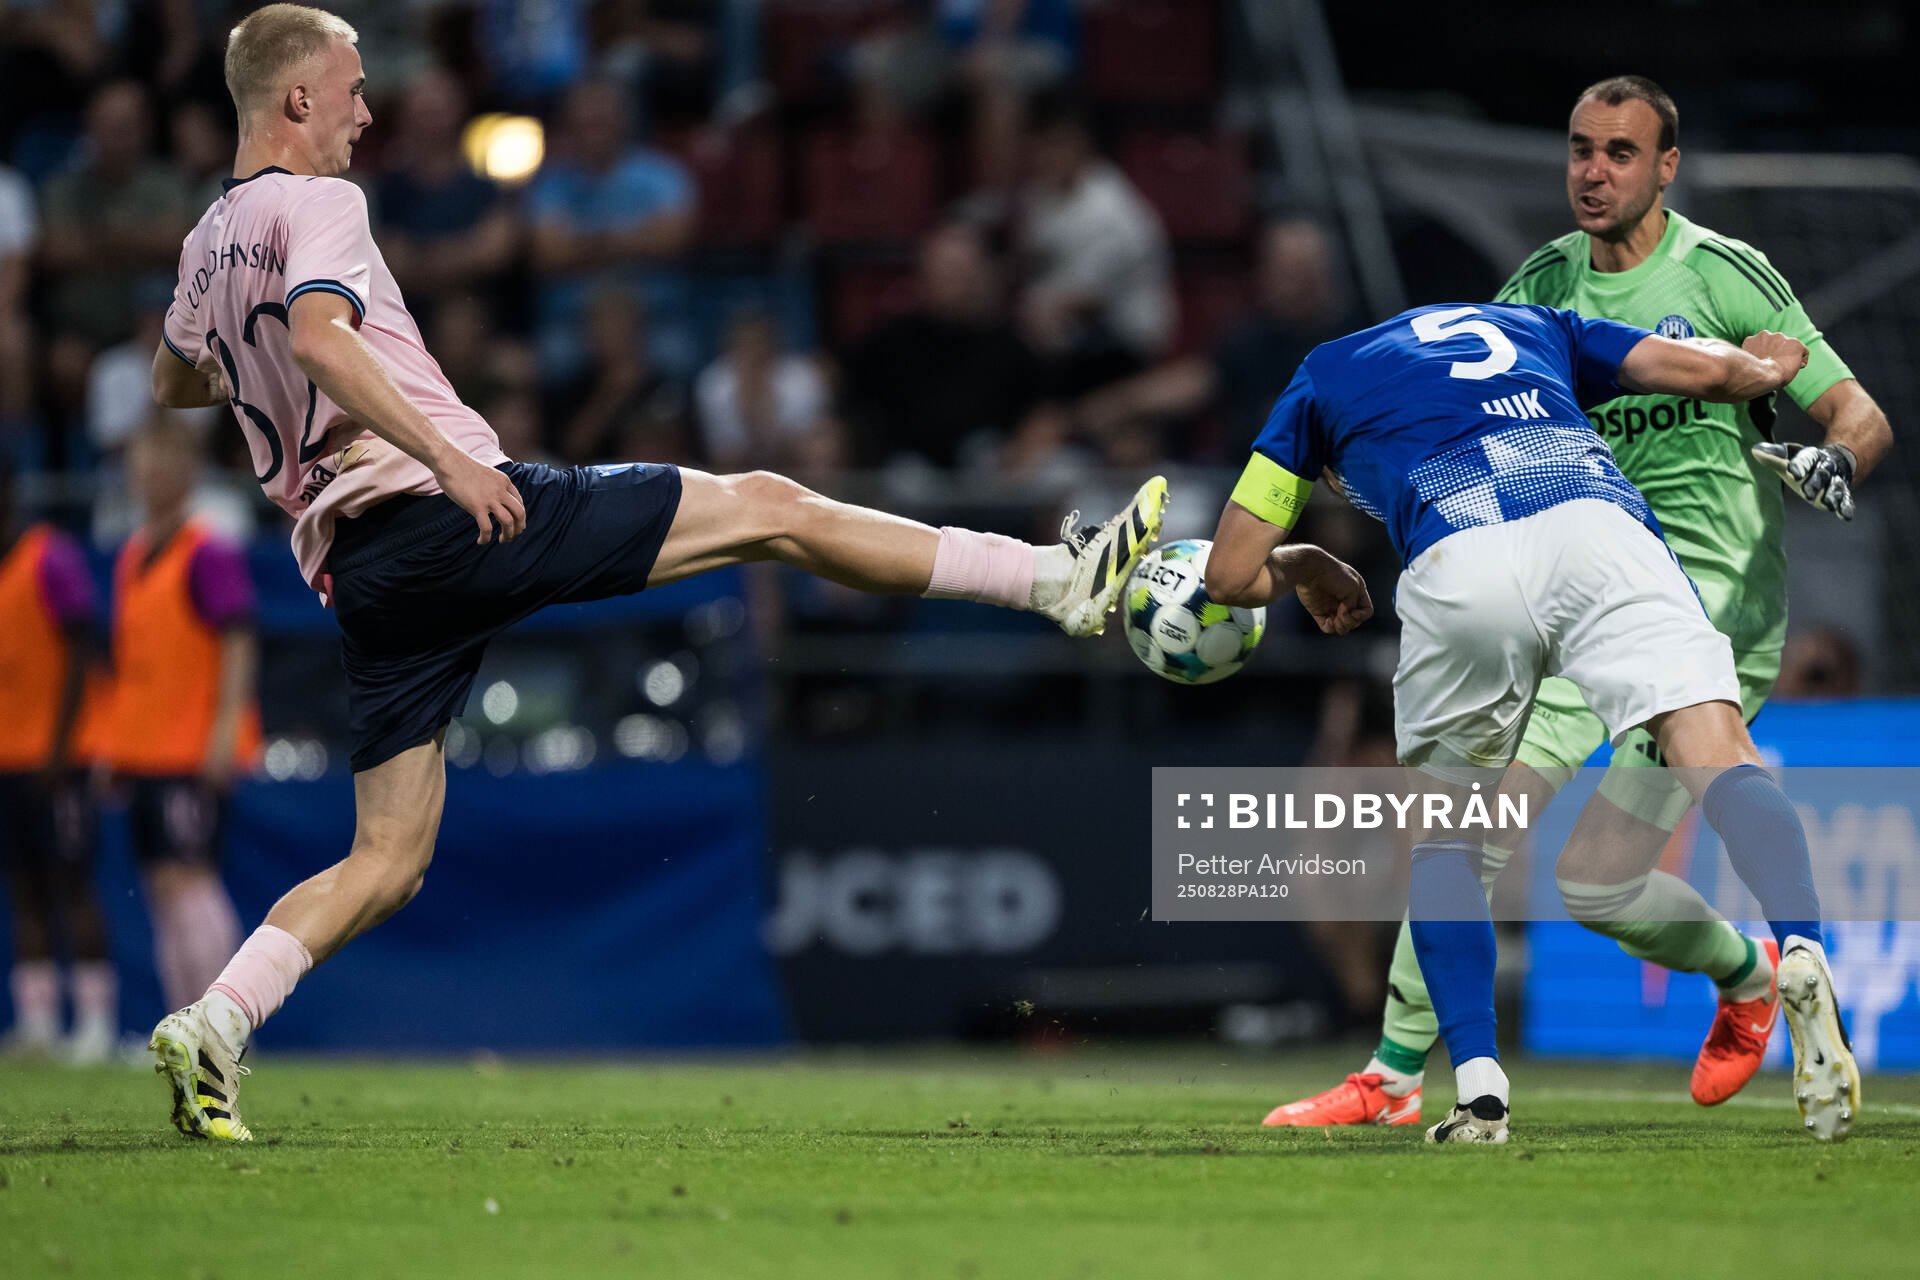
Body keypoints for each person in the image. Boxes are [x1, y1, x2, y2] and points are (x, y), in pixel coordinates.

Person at [144, 5, 1167, 1142]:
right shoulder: (321, 201)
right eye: (351, 88)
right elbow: (326, 338)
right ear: (295, 101)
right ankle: (1053, 581)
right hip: (448, 509)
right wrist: (446, 457)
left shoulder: (209, 240)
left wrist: (262, 370)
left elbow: (177, 379)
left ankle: (216, 1023)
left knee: (386, 863)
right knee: (771, 509)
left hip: (362, 571)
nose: (366, 111)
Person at [1265, 75, 1894, 1132]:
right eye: (1580, 149)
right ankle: (1392, 1070)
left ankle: (1749, 973)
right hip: (1569, 581)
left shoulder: (1728, 274)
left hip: (1708, 601)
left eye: (1619, 153)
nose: (1593, 172)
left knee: (1600, 885)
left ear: (1666, 168)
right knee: (1475, 825)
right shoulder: (1541, 281)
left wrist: (1835, 457)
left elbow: (1856, 409)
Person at [1205, 300, 1860, 1144]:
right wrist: (1763, 369)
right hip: (1597, 526)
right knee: (1714, 747)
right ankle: (1799, 947)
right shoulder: (1532, 323)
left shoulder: (1320, 379)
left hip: (1460, 556)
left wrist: (1305, 560)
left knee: (1450, 838)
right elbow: (1695, 367)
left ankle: (1479, 1090)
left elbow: (1226, 574)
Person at [100, 419, 259, 1017]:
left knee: (191, 879)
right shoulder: (133, 555)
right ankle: (183, 1024)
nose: (148, 473)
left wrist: (225, 732)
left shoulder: (207, 550)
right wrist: (114, 745)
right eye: (140, 461)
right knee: (164, 889)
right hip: (144, 747)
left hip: (190, 746)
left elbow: (240, 640)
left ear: (187, 470)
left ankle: (222, 1020)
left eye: (160, 460)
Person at [0, 463, 117, 1063]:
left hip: (57, 759)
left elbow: (82, 651)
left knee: (72, 885)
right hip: (9, 759)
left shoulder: (51, 557)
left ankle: (96, 1022)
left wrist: (62, 745)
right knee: (23, 889)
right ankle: (39, 1021)